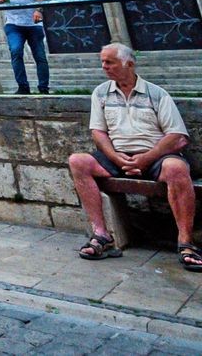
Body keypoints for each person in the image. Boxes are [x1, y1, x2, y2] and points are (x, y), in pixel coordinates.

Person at [68, 43, 199, 272]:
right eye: (102, 62)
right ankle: (101, 235)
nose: (104, 67)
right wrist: (117, 158)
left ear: (129, 64)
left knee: (177, 169)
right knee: (78, 161)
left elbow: (177, 135)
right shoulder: (101, 93)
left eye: (109, 62)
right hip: (117, 155)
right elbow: (98, 133)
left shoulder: (156, 94)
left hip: (155, 155)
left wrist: (146, 158)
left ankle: (186, 242)